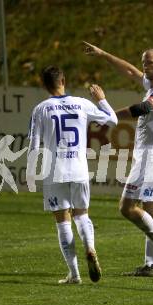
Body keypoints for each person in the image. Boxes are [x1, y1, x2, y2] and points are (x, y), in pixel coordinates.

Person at [83, 42, 153, 277]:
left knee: (127, 207)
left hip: (151, 157)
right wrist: (103, 53)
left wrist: (109, 115)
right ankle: (150, 265)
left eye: (149, 62)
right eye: (143, 62)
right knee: (151, 208)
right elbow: (129, 71)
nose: (144, 67)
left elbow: (144, 107)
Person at [27, 66, 118, 284]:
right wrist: (102, 99)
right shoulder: (82, 103)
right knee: (82, 215)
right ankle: (91, 248)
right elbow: (113, 120)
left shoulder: (41, 109)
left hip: (54, 171)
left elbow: (33, 145)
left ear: (44, 85)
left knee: (62, 222)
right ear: (63, 80)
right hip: (79, 168)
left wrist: (31, 170)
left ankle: (75, 274)